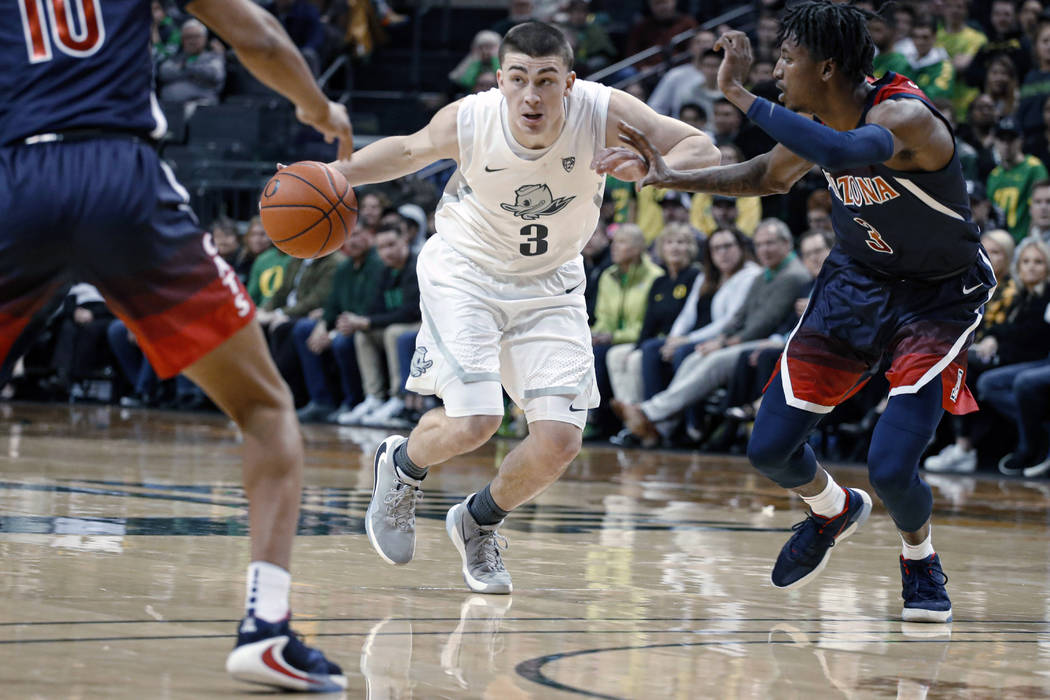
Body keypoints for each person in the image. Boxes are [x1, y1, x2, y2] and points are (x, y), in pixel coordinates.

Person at [0, 0, 352, 690]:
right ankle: (265, 628)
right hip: (121, 176)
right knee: (263, 407)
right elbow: (259, 34)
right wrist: (317, 108)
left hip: (17, 178)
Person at [614, 1, 997, 623]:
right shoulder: (814, 117)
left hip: (937, 297)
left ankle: (920, 558)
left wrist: (737, 91)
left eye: (787, 60)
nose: (777, 71)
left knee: (893, 467)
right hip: (855, 282)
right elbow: (767, 173)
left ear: (827, 67)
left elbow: (846, 154)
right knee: (769, 449)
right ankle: (831, 508)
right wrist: (669, 178)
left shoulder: (904, 117)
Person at [328, 21, 718, 593]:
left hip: (551, 281)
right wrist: (336, 173)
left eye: (546, 80)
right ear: (500, 80)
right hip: (468, 272)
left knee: (559, 443)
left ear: (570, 81)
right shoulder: (472, 118)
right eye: (518, 79)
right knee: (476, 421)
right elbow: (409, 151)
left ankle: (478, 522)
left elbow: (700, 146)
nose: (532, 95)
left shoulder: (603, 109)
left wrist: (654, 166)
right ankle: (403, 465)